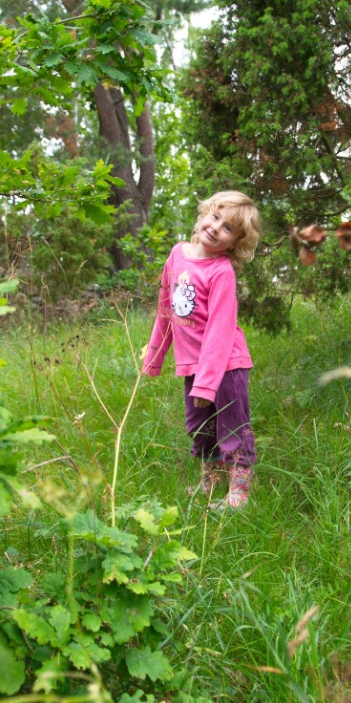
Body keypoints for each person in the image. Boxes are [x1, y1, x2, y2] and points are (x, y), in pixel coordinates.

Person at [143, 191, 261, 508]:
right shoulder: (177, 255)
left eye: (227, 229)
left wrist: (207, 383)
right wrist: (155, 357)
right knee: (200, 428)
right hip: (193, 366)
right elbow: (166, 310)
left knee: (231, 425)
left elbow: (220, 331)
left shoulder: (221, 271)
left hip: (226, 367)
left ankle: (239, 493)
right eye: (215, 217)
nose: (216, 228)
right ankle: (210, 481)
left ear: (235, 244)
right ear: (204, 213)